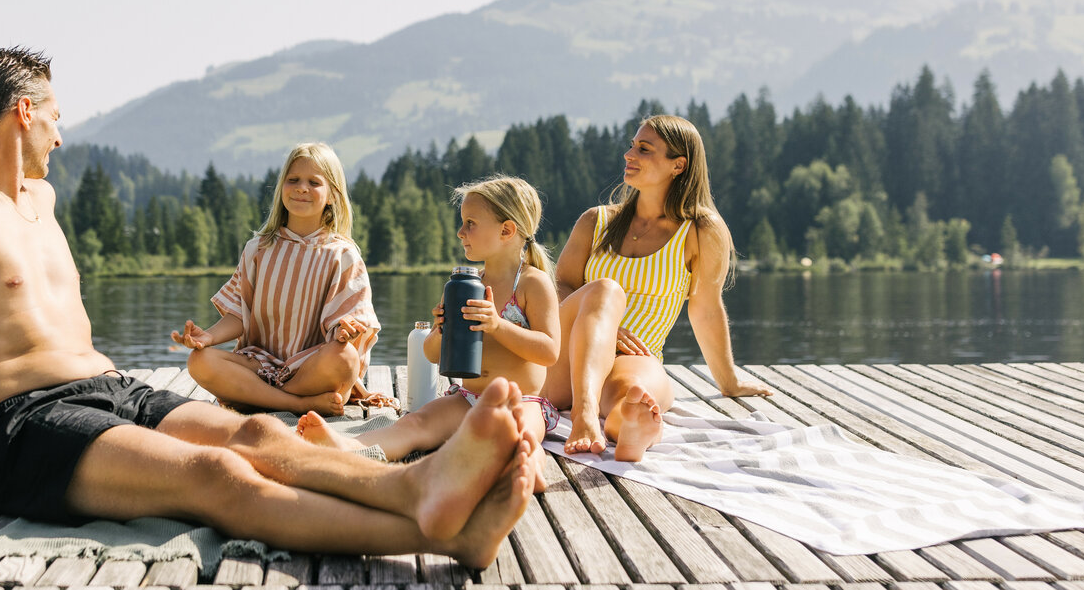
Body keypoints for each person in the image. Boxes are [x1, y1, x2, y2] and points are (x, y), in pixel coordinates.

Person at [0, 47, 533, 566]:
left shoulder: (43, 198)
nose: (62, 134)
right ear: (23, 112)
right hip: (25, 428)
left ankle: (443, 516)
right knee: (216, 476)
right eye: (55, 114)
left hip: (109, 387)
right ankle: (425, 510)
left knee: (258, 431)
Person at [296, 176, 560, 490]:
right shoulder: (468, 283)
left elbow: (549, 351)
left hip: (522, 401)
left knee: (524, 434)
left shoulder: (532, 283)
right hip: (468, 399)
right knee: (415, 422)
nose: (460, 232)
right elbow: (432, 354)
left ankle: (529, 468)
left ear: (506, 230)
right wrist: (440, 329)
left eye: (470, 223)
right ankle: (348, 447)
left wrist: (498, 325)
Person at [543, 114, 773, 462]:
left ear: (678, 165)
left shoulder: (699, 230)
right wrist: (602, 325)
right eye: (632, 145)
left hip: (635, 356)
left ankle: (631, 431)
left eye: (644, 149)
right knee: (603, 293)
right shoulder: (596, 221)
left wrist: (729, 381)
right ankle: (583, 415)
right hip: (568, 355)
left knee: (631, 397)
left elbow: (706, 307)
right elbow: (562, 287)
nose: (629, 154)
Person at [171, 143, 385, 416]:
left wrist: (344, 332)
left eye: (314, 182)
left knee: (345, 358)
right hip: (258, 365)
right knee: (199, 361)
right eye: (293, 180)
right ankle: (296, 404)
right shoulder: (258, 249)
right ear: (281, 188)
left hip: (310, 369)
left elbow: (348, 326)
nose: (301, 188)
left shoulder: (343, 254)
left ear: (332, 194)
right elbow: (239, 314)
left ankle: (256, 397)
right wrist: (208, 337)